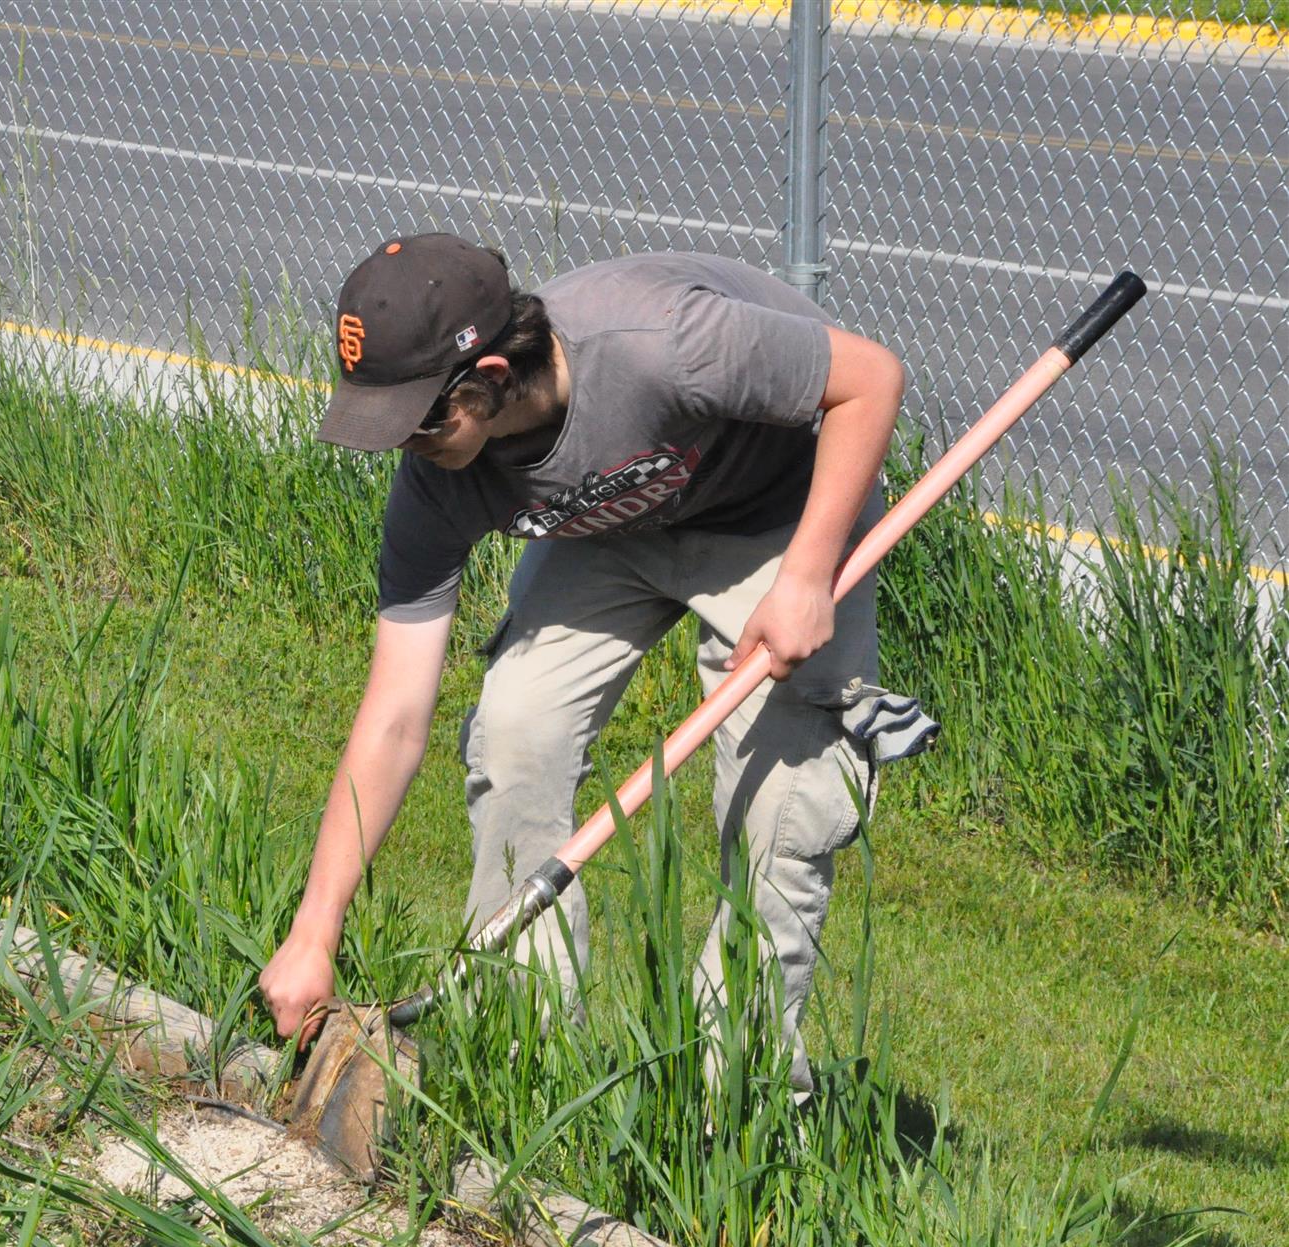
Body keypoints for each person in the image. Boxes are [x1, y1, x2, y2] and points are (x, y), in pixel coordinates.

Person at [256, 232, 936, 1094]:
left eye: (420, 420)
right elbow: (393, 714)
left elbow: (871, 380)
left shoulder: (663, 342)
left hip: (781, 513)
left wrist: (806, 576)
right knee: (514, 736)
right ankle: (528, 1064)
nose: (406, 448)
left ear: (493, 377)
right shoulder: (437, 479)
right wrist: (314, 931)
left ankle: (728, 1100)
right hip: (614, 525)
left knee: (783, 813)